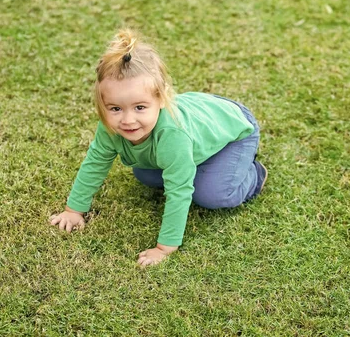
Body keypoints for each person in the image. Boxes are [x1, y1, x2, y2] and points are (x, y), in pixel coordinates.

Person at [49, 29, 268, 267]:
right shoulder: (110, 128)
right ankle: (197, 162)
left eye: (140, 107)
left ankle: (254, 174)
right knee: (145, 173)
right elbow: (95, 164)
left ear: (161, 99)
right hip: (199, 123)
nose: (127, 120)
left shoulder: (172, 136)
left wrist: (164, 248)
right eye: (115, 109)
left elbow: (179, 190)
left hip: (234, 128)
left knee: (210, 194)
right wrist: (73, 210)